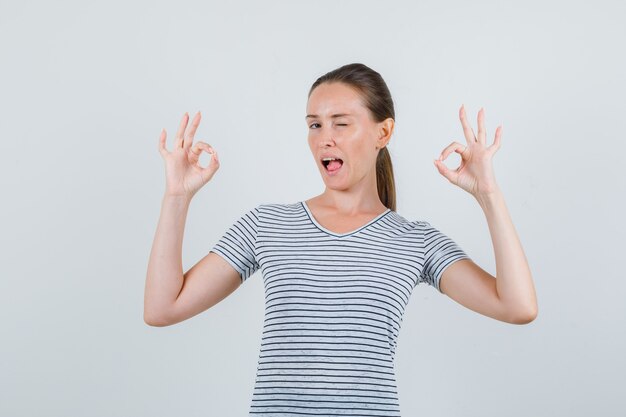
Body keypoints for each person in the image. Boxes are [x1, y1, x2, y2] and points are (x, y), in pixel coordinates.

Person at [144, 63, 538, 416]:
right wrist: (177, 197)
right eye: (314, 124)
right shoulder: (268, 225)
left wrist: (488, 194)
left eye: (340, 123)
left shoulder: (415, 241)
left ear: (383, 132)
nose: (323, 138)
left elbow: (517, 306)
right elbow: (163, 308)